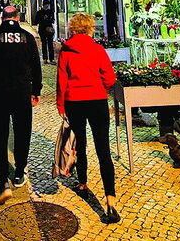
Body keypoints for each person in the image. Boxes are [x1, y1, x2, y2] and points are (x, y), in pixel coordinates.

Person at [56, 13, 120, 224]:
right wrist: (98, 86)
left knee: (80, 145)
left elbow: (61, 80)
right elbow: (109, 78)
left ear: (73, 29)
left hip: (75, 102)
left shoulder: (66, 51)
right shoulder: (98, 49)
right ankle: (110, 200)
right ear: (90, 28)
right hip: (97, 102)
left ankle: (82, 183)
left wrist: (61, 105)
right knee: (103, 150)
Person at [0, 6, 42, 206]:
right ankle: (19, 172)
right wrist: (36, 90)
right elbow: (36, 66)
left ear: (1, 18)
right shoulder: (27, 37)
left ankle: (2, 181)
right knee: (23, 133)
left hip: (0, 94)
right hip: (22, 93)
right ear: (18, 18)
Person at [34, 0, 57, 65]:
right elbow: (36, 21)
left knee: (50, 44)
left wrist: (49, 20)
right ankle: (45, 59)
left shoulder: (50, 12)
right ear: (43, 5)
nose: (47, 6)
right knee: (44, 44)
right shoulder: (39, 12)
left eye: (48, 5)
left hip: (49, 30)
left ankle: (51, 59)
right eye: (46, 4)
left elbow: (53, 20)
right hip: (42, 30)